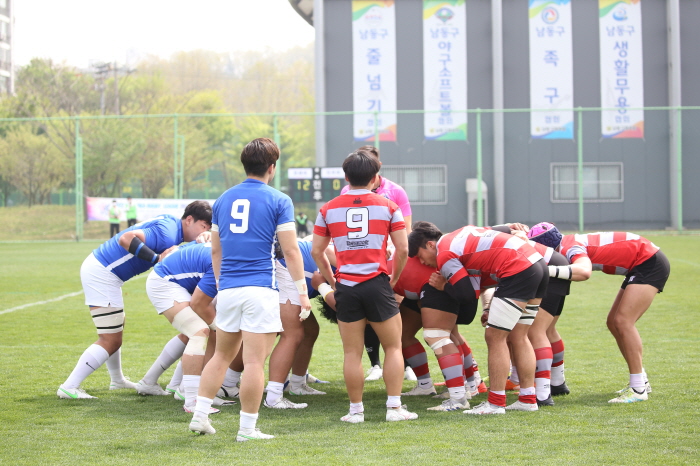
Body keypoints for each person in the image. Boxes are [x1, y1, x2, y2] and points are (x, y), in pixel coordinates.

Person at [188, 138, 311, 440]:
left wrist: (221, 285)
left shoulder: (223, 199)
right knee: (255, 361)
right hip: (260, 289)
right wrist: (302, 293)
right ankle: (247, 429)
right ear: (272, 167)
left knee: (221, 356)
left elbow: (215, 250)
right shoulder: (279, 199)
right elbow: (291, 251)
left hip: (229, 288)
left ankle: (200, 415)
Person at [57, 201, 213, 399]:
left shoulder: (172, 226)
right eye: (204, 226)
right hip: (103, 273)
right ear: (189, 220)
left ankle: (117, 380)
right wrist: (156, 259)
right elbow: (126, 238)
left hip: (104, 272)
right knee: (110, 339)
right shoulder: (169, 232)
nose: (205, 231)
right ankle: (70, 386)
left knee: (116, 328)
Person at [312, 149, 417, 423]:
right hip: (377, 282)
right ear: (375, 177)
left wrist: (332, 280)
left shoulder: (327, 209)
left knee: (352, 353)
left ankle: (355, 411)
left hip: (346, 285)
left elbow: (316, 251)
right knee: (393, 348)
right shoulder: (389, 206)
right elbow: (403, 249)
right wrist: (393, 279)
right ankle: (394, 408)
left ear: (346, 177)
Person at [409, 221, 548, 415]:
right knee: (519, 336)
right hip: (538, 264)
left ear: (431, 245)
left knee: (495, 337)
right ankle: (527, 399)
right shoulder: (459, 233)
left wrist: (443, 286)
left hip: (517, 268)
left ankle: (495, 403)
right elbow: (499, 230)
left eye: (420, 256)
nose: (422, 262)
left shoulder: (444, 253)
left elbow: (466, 295)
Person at [527, 223, 671, 403]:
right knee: (613, 322)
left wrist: (545, 270)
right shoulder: (567, 242)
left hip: (649, 262)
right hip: (644, 261)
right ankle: (641, 381)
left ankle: (638, 388)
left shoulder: (569, 248)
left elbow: (584, 271)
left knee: (623, 322)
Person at [340, 145, 414, 383]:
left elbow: (405, 236)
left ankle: (406, 366)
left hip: (373, 269)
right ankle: (378, 369)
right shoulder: (346, 195)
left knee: (356, 348)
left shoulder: (395, 192)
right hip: (371, 271)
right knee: (379, 331)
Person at [138, 240, 236, 413]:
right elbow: (199, 304)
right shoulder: (225, 261)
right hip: (165, 282)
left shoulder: (227, 252)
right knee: (199, 332)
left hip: (174, 280)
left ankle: (162, 383)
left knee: (200, 332)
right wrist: (218, 328)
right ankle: (190, 398)